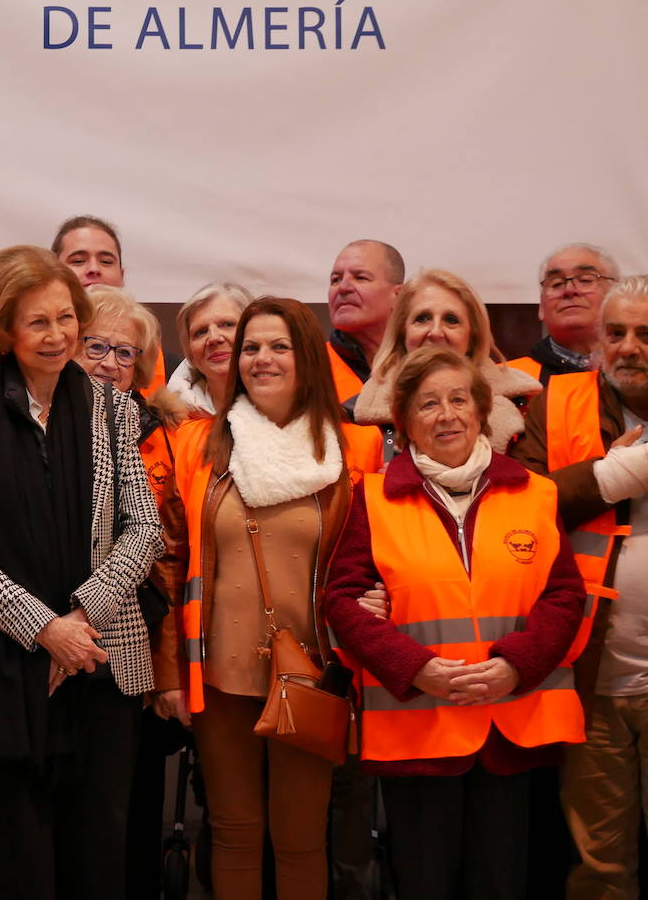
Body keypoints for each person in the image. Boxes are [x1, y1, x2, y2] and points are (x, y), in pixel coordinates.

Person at [0, 245, 162, 900]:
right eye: (39, 322)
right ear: (4, 328)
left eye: (67, 318)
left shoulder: (114, 408)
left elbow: (143, 526)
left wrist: (81, 621)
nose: (59, 334)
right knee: (15, 856)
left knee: (98, 854)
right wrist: (44, 630)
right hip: (3, 665)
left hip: (101, 658)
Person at [326, 346, 585, 900]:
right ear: (404, 422)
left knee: (503, 881)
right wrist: (416, 669)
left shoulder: (537, 493)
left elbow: (564, 595)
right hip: (417, 730)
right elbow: (344, 601)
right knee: (424, 882)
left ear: (481, 409)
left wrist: (517, 666)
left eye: (458, 400)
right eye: (428, 405)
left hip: (514, 724)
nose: (446, 415)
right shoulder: (371, 497)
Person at [170, 296, 361, 900]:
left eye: (278, 346)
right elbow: (171, 560)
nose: (261, 358)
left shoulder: (353, 451)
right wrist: (167, 671)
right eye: (251, 347)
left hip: (311, 675)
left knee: (301, 839)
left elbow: (370, 561)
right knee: (232, 831)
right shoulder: (200, 445)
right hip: (219, 674)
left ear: (306, 356)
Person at [510, 274, 648, 900]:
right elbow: (524, 505)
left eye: (645, 334)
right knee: (599, 864)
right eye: (615, 333)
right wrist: (617, 472)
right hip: (591, 673)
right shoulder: (559, 400)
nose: (628, 347)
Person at [72, 284, 191, 898]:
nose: (110, 363)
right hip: (52, 640)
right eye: (97, 346)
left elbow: (170, 560)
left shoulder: (164, 436)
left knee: (128, 814)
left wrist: (169, 669)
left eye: (126, 353)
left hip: (137, 646)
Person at [351, 269, 541, 458]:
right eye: (422, 318)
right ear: (402, 332)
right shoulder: (353, 416)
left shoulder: (527, 406)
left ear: (472, 337)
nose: (435, 332)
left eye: (451, 320)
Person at [50, 215, 167, 392]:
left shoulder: (169, 367)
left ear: (122, 276)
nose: (94, 269)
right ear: (53, 274)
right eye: (78, 261)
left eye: (106, 261)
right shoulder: (20, 353)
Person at [509, 243, 620, 385]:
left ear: (617, 296)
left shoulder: (640, 375)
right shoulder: (509, 382)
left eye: (585, 280)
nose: (569, 290)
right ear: (542, 307)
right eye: (556, 283)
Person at [327, 239, 405, 402]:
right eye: (336, 279)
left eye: (360, 278)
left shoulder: (424, 364)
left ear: (398, 296)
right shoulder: (308, 366)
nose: (343, 287)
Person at [165, 281, 254, 417]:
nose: (213, 338)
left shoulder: (291, 413)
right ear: (190, 354)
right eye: (200, 332)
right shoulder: (168, 424)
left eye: (227, 324)